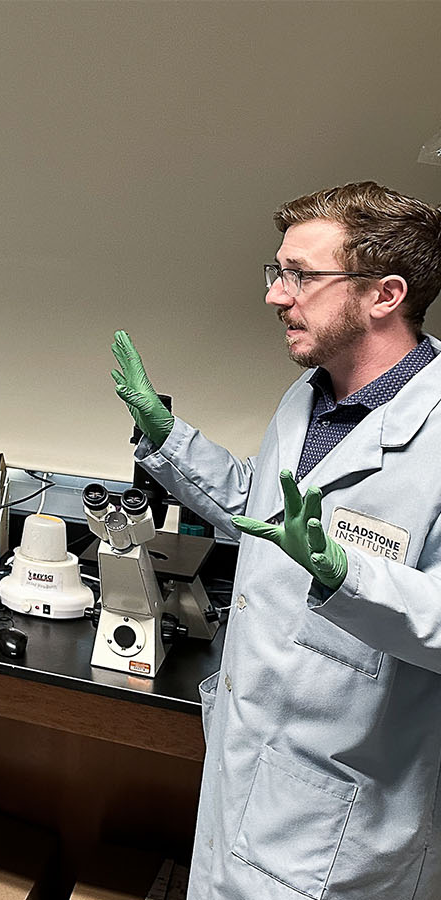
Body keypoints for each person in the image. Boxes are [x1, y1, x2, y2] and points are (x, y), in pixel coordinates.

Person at [110, 182, 441, 899]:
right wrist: (168, 440)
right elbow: (266, 516)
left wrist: (345, 576)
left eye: (301, 275)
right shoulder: (310, 395)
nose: (276, 295)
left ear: (385, 295)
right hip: (247, 762)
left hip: (342, 824)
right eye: (278, 271)